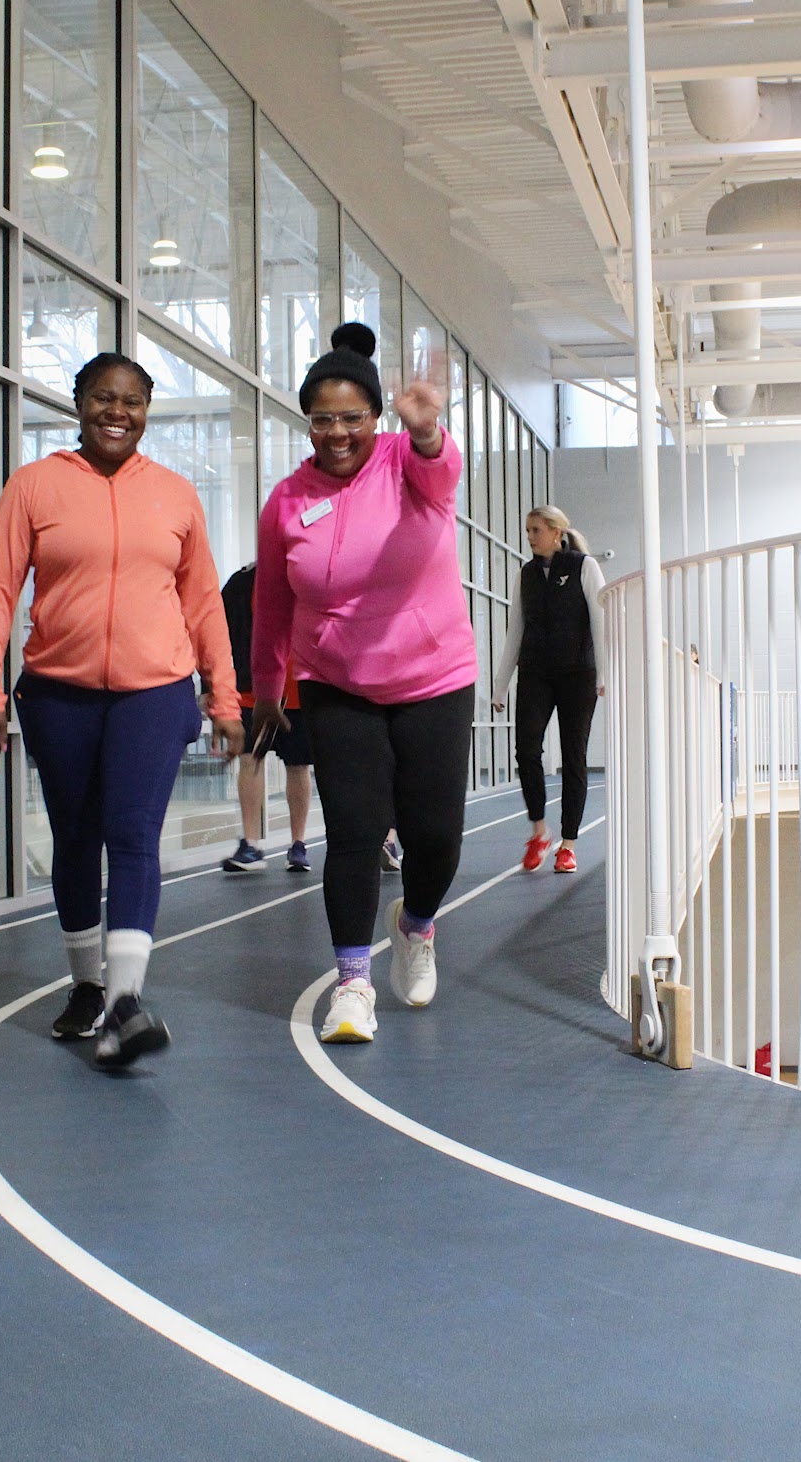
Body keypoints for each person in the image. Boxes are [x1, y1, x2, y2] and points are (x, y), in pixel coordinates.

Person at [0, 351, 243, 1069]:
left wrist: (224, 695)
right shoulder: (34, 487)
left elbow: (204, 601)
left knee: (131, 834)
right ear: (79, 405)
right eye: (103, 398)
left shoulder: (177, 495)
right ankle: (87, 986)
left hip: (153, 692)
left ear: (148, 411)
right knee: (76, 837)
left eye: (133, 401)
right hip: (58, 694)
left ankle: (126, 1001)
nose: (118, 412)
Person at [255, 323, 475, 1045]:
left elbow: (443, 475)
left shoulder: (405, 463)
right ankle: (353, 985)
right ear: (307, 423)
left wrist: (429, 435)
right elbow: (273, 604)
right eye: (323, 419)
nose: (338, 432)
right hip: (338, 682)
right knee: (352, 833)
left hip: (433, 674)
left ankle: (415, 926)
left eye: (353, 417)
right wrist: (265, 687)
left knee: (435, 837)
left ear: (376, 418)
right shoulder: (288, 501)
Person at [493, 504, 605, 874]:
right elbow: (515, 630)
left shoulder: (584, 567)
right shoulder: (525, 575)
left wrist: (603, 674)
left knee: (574, 757)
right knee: (526, 749)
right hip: (536, 673)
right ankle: (539, 830)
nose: (529, 537)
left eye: (535, 530)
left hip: (578, 674)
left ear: (556, 532)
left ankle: (568, 844)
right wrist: (500, 685)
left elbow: (601, 624)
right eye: (527, 530)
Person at [219, 562, 314, 874]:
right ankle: (251, 843)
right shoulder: (241, 583)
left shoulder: (306, 577)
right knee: (250, 758)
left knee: (297, 765)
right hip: (253, 689)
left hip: (296, 690)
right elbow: (222, 632)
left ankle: (298, 844)